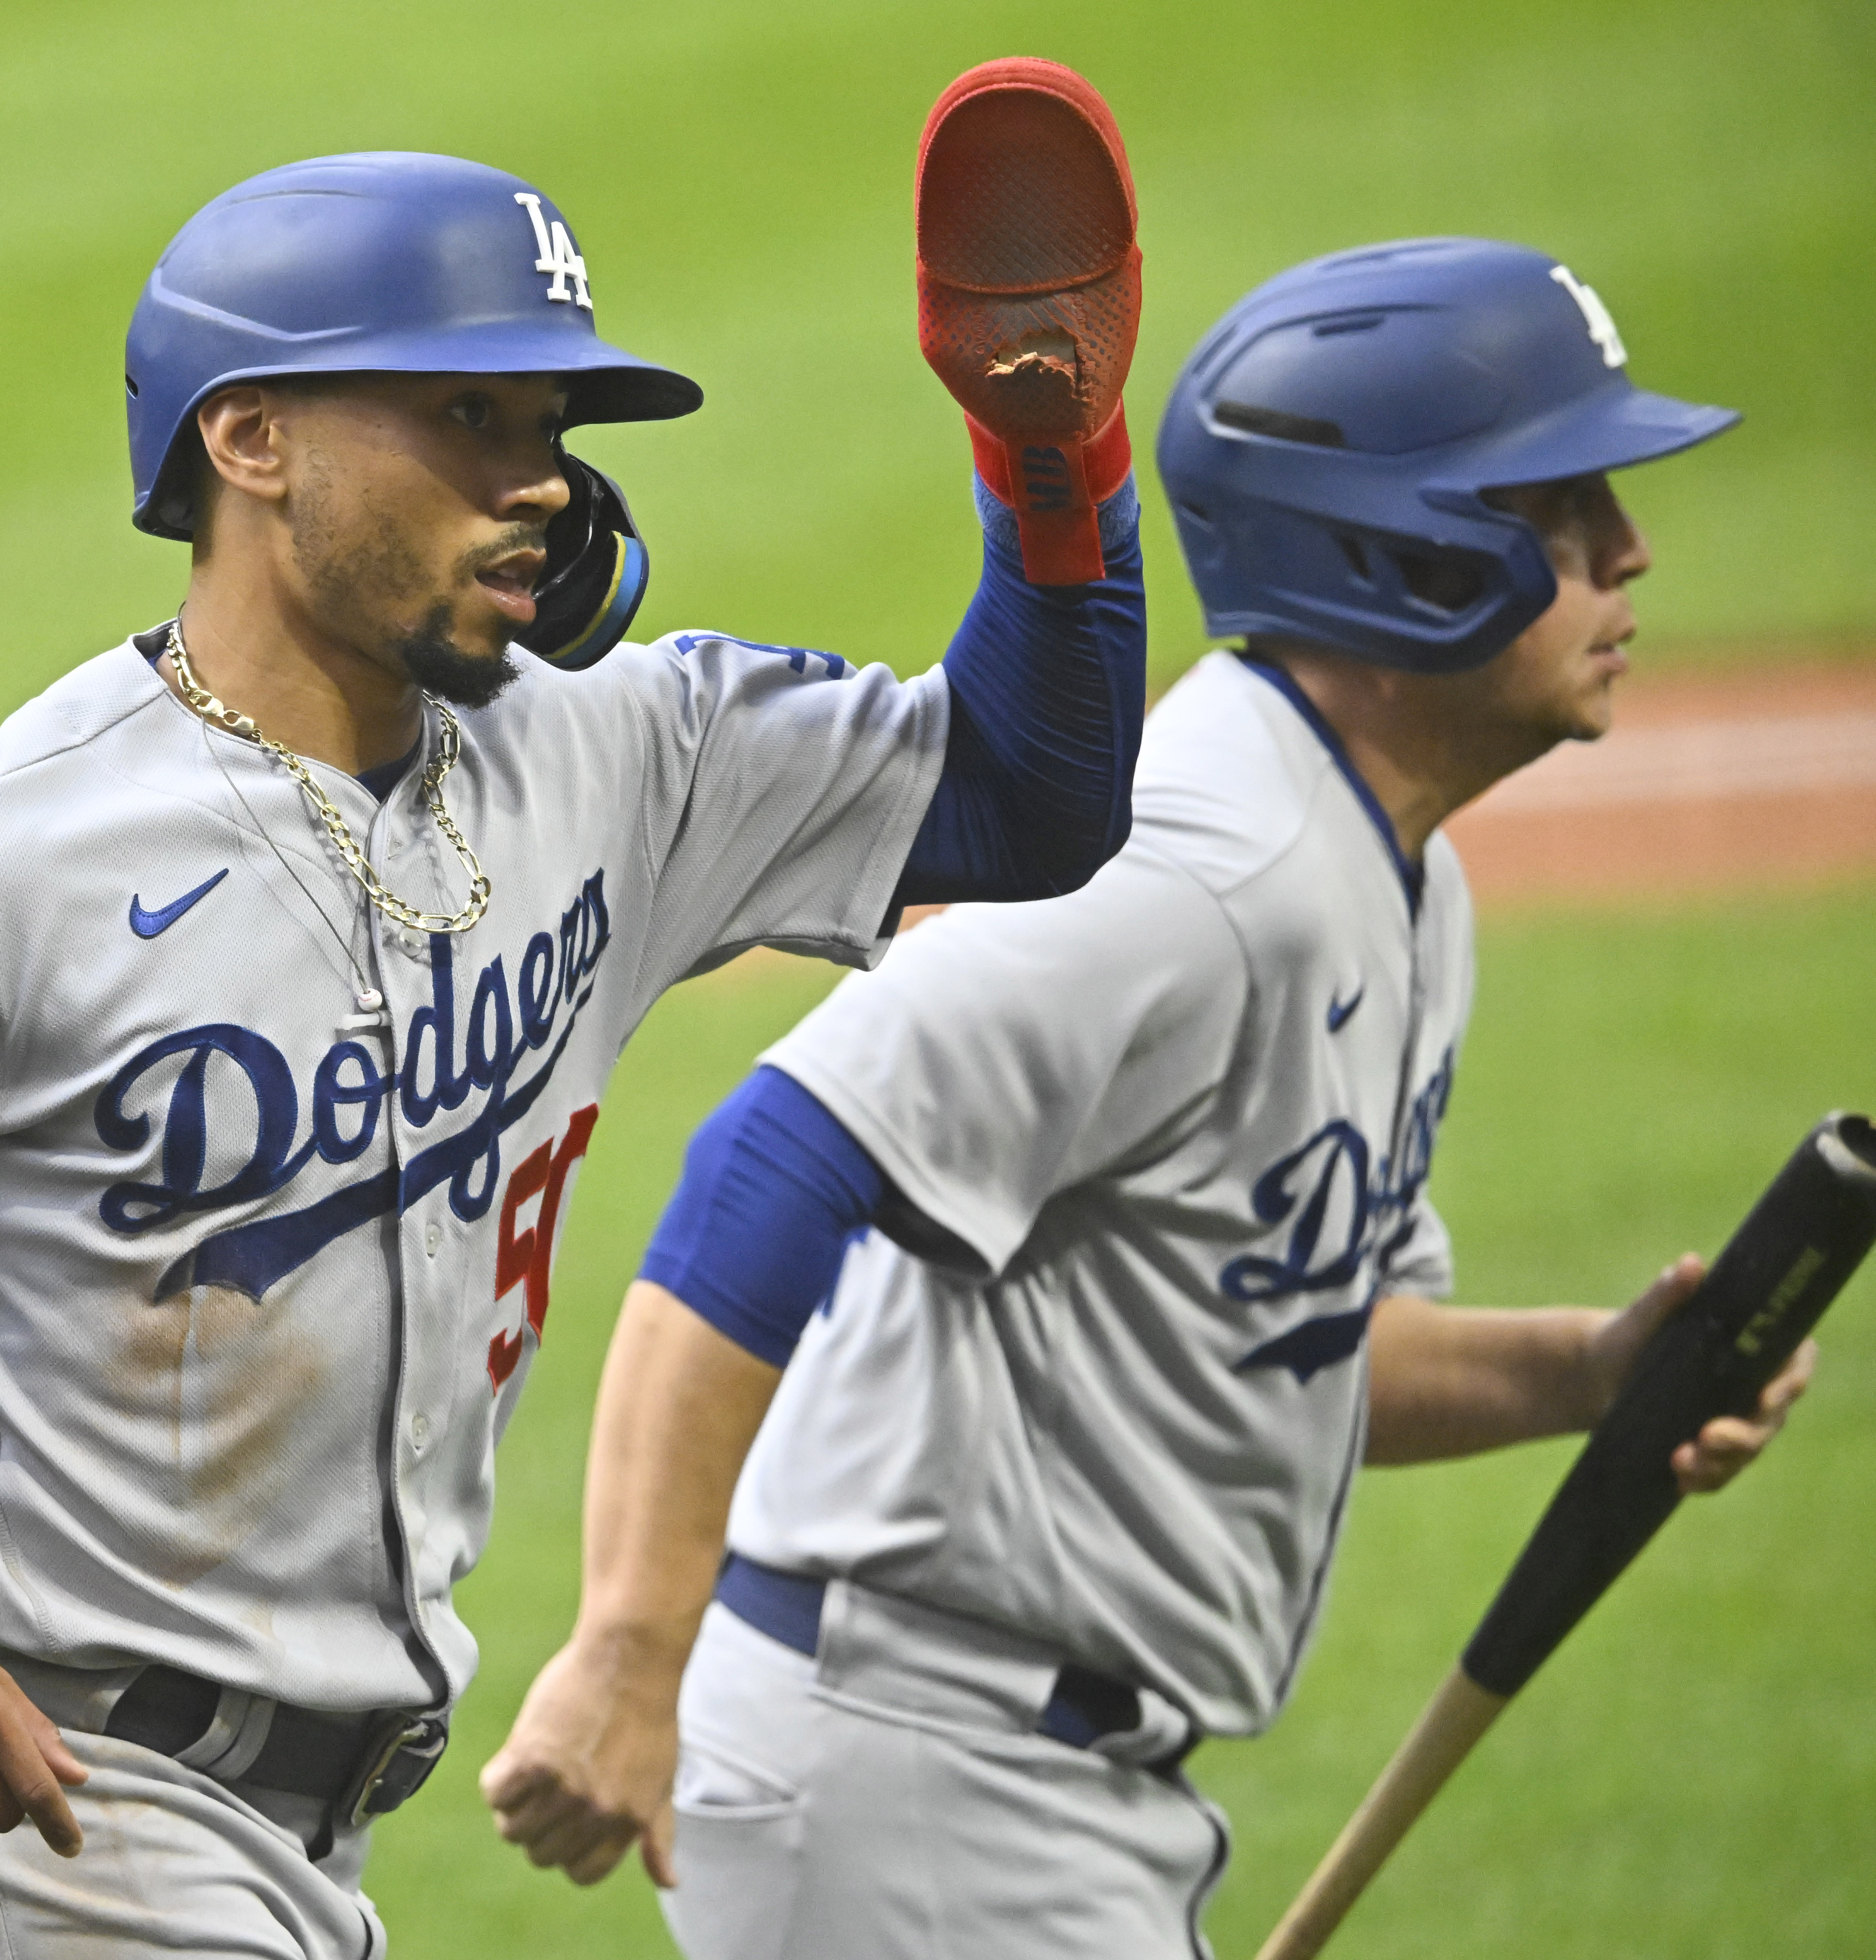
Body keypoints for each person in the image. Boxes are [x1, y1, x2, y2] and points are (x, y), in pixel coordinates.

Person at [0, 100, 1151, 1960]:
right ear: (253, 437)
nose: (535, 479)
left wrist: (1053, 461)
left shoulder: (615, 753)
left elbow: (1027, 799)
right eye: (468, 418)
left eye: (547, 430)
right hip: (54, 1823)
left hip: (300, 1849)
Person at [478, 236, 1819, 1959]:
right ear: (1408, 552)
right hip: (915, 1765)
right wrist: (624, 1648)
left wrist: (1588, 1373)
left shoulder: (1391, 872)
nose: (1629, 552)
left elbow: (1281, 1331)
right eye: (1562, 510)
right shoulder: (1192, 864)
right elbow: (774, 1151)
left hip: (1022, 1782)